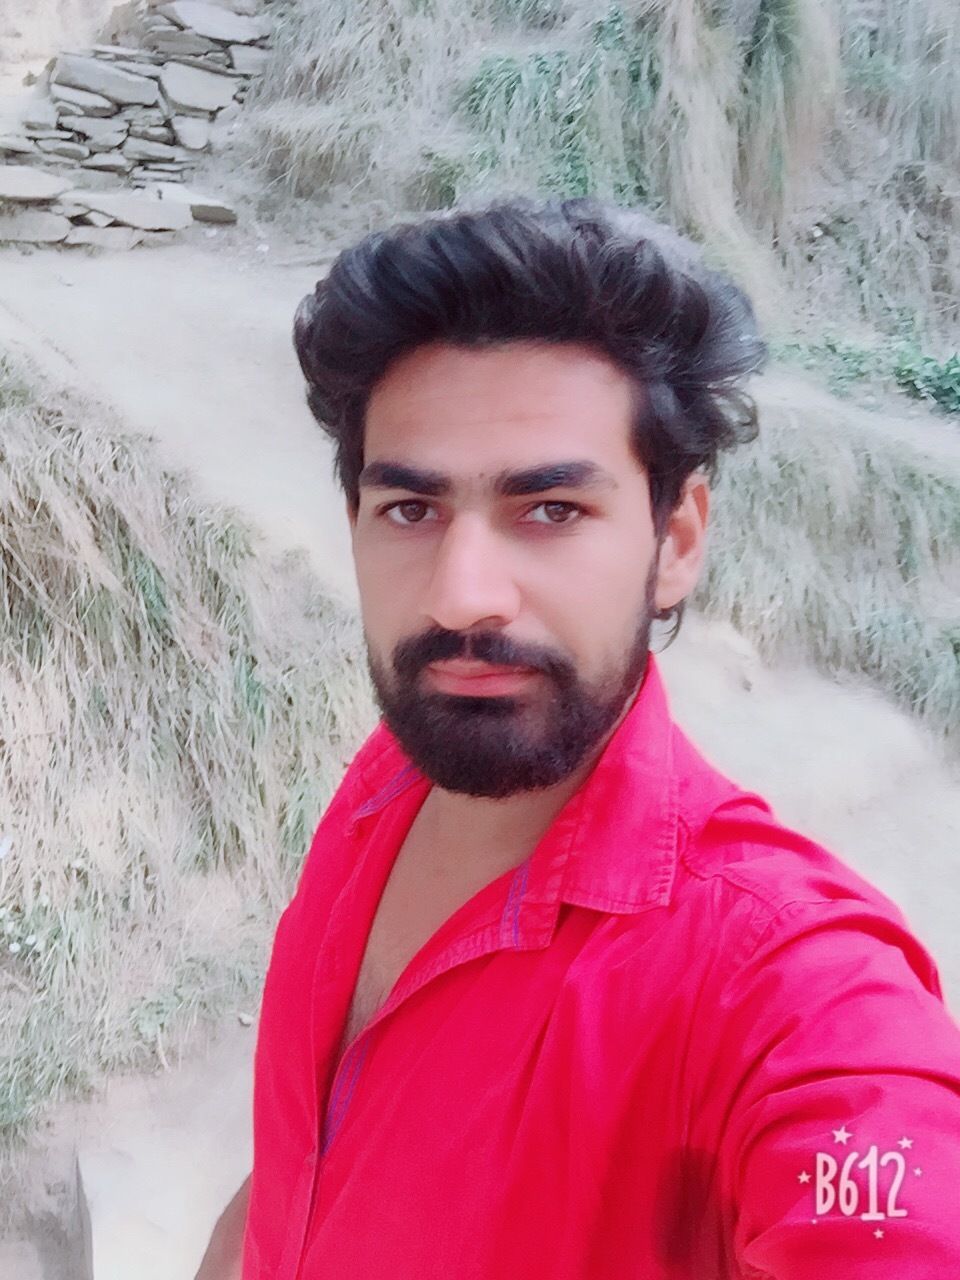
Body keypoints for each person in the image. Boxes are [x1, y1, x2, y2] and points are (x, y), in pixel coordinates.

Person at [196, 200, 960, 1280]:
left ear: (675, 540)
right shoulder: (391, 778)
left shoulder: (788, 987)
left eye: (550, 509)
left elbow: (888, 1204)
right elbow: (297, 1161)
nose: (461, 596)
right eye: (410, 509)